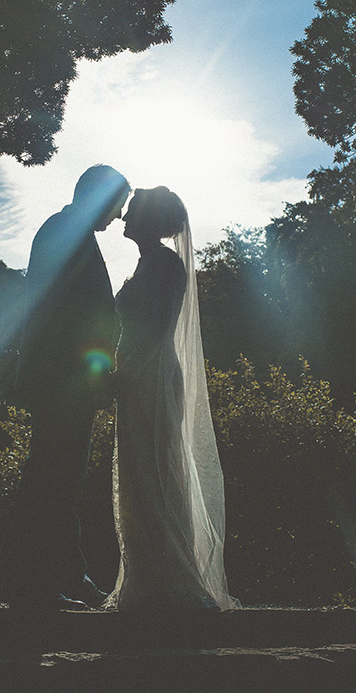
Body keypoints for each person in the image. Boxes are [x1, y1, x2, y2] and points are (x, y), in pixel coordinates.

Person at [105, 186, 239, 611]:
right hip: (136, 376)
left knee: (158, 470)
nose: (123, 219)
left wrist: (124, 376)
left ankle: (171, 580)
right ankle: (147, 578)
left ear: (148, 220)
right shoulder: (149, 263)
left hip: (152, 376)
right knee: (140, 473)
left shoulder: (165, 265)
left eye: (130, 213)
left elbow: (158, 328)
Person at [8, 164, 130, 612]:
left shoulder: (70, 231)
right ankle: (34, 585)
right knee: (51, 479)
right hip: (62, 381)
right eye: (118, 205)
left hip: (64, 379)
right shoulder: (65, 233)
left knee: (62, 480)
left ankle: (66, 576)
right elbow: (59, 314)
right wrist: (93, 374)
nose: (119, 217)